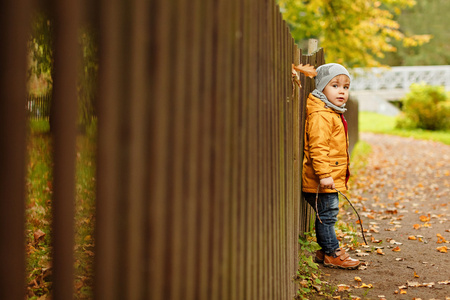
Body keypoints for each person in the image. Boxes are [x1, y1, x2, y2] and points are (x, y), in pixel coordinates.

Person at [302, 63, 360, 270]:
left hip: (328, 177)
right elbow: (318, 147)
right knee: (327, 216)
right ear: (322, 88)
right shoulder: (321, 115)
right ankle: (332, 253)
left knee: (327, 214)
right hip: (322, 178)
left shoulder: (331, 112)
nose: (342, 91)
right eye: (335, 85)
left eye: (345, 87)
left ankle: (325, 249)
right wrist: (325, 175)